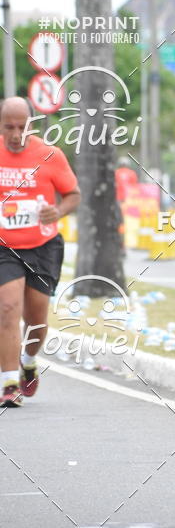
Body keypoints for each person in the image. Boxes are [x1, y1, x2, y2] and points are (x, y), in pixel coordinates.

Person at [0, 97, 80, 407]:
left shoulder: (50, 155)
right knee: (7, 308)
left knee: (36, 319)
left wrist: (57, 211)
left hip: (43, 246)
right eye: (8, 127)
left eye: (22, 127)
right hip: (4, 246)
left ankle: (28, 360)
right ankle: (8, 383)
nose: (16, 133)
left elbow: (74, 194)